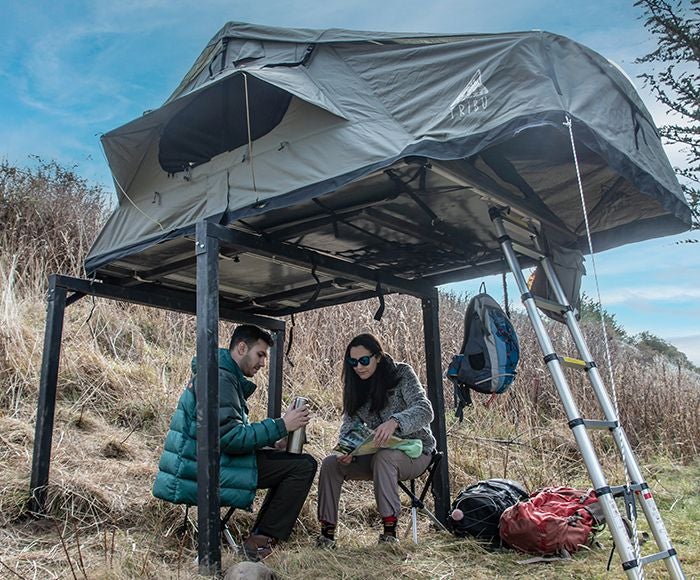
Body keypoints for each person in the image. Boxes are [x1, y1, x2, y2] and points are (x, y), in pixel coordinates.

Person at [153, 324, 317, 561]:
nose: (263, 363)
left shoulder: (221, 374)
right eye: (260, 354)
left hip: (204, 462)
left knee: (292, 461)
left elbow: (225, 434)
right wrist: (282, 425)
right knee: (303, 466)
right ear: (241, 348)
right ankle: (258, 543)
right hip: (203, 470)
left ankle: (259, 539)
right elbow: (229, 438)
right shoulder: (221, 378)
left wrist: (272, 444)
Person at [316, 333, 436, 547]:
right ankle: (327, 535)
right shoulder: (355, 385)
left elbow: (425, 410)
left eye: (364, 360)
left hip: (415, 451)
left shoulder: (402, 373)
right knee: (330, 464)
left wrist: (395, 422)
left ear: (378, 357)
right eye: (353, 362)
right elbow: (349, 426)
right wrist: (346, 449)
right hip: (374, 454)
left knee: (385, 457)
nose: (358, 367)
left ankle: (389, 535)